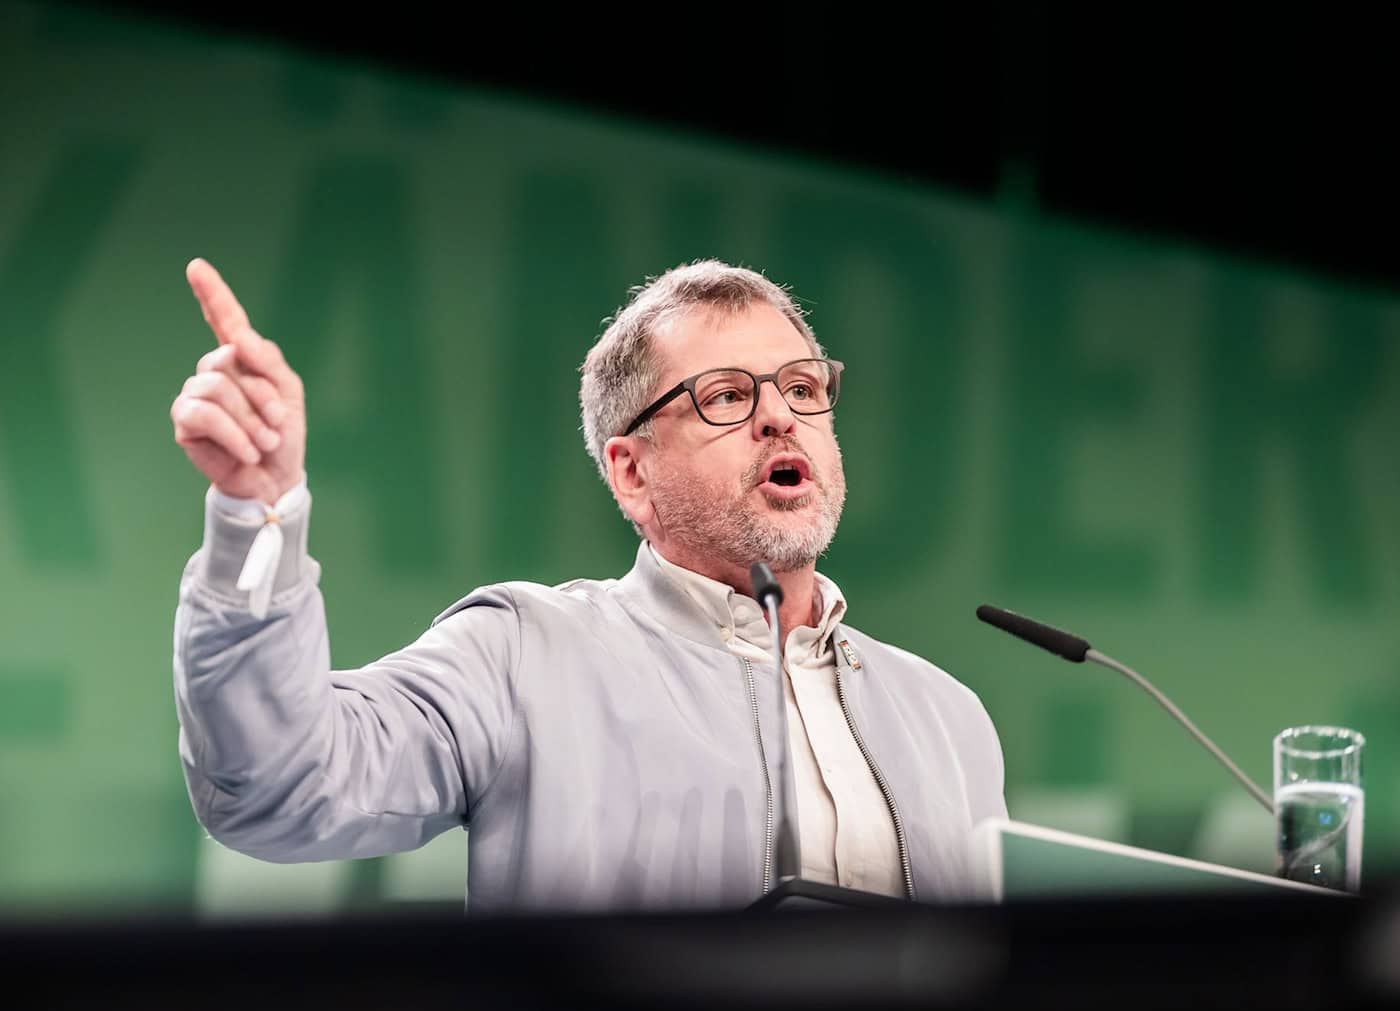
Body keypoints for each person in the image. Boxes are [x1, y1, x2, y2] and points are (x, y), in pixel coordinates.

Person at [170, 256, 1007, 914]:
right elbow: (279, 784)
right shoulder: (524, 655)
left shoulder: (949, 717)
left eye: (801, 387)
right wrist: (259, 512)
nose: (780, 415)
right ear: (631, 473)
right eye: (724, 396)